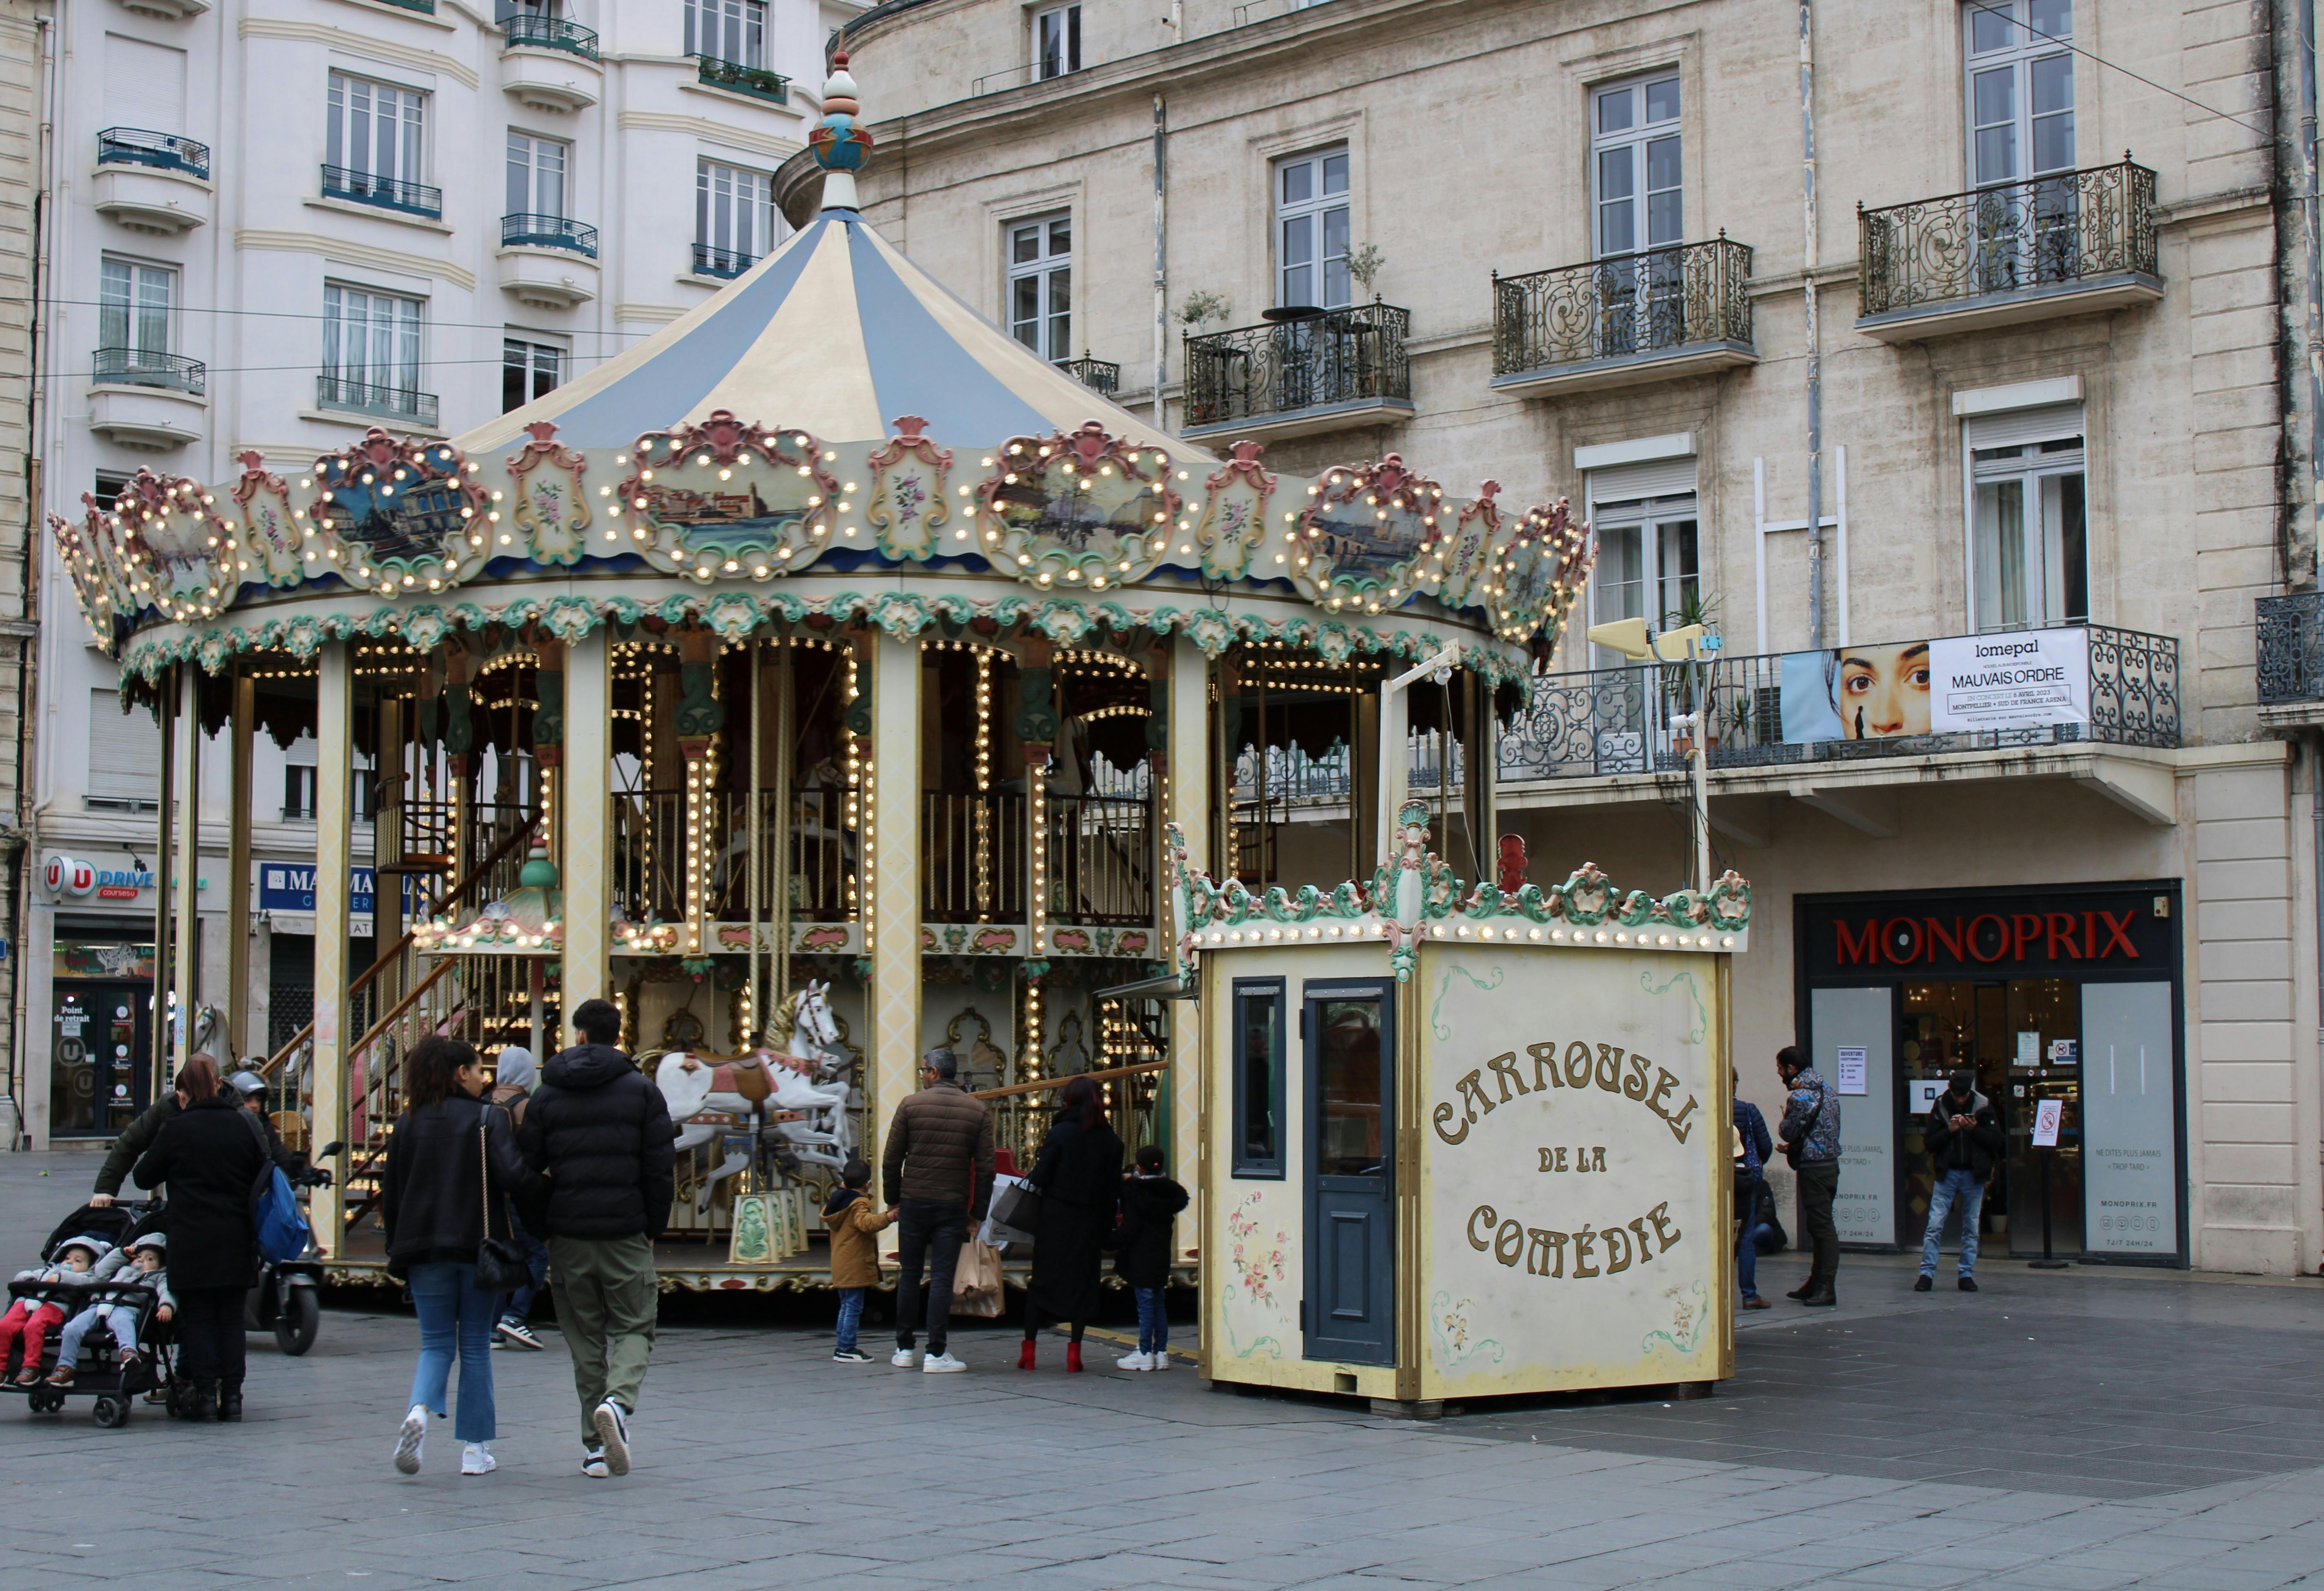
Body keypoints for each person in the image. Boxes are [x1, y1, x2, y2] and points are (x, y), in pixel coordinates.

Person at [516, 998, 674, 1479]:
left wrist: (541, 1226)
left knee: (585, 1342)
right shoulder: (642, 1092)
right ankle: (618, 1403)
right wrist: (653, 1226)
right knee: (634, 1327)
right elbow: (659, 1168)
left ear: (580, 1035)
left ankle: (592, 1448)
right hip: (625, 1229)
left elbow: (528, 1170)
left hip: (567, 1233)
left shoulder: (547, 1094)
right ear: (619, 1035)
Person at [381, 1036, 531, 1478]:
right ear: (459, 1073)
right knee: (475, 1347)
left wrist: (397, 1245)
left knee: (435, 1344)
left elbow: (392, 1193)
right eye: (478, 1069)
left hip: (423, 1247)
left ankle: (419, 1414)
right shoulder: (488, 1118)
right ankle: (474, 1449)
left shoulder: (407, 1123)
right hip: (476, 1246)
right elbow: (511, 1175)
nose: (483, 1078)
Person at [131, 1053, 267, 1420]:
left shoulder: (176, 1128)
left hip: (191, 1239)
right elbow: (264, 1170)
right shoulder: (243, 1125)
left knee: (201, 1319)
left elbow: (144, 1176)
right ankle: (234, 1398)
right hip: (236, 1236)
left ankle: (206, 1396)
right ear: (220, 1086)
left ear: (185, 1092)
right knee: (230, 1320)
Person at [879, 1046, 994, 1374]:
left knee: (910, 1274)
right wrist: (977, 1213)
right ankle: (936, 1352)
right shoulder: (977, 1111)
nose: (921, 1075)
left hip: (913, 1201)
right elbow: (986, 1169)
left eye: (922, 1070)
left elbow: (892, 1159)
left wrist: (893, 1199)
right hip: (952, 1204)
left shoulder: (910, 1106)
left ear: (934, 1072)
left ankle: (903, 1349)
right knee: (942, 1277)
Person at [1018, 1075, 1123, 1373]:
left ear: (1069, 1100)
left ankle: (1029, 1351)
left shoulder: (1061, 1133)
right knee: (1082, 1284)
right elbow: (1113, 1188)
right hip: (1090, 1222)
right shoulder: (1112, 1141)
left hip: (1056, 1219)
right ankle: (1075, 1352)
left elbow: (1040, 1177)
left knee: (1042, 1282)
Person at [1917, 1067, 2003, 1294]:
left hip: (1974, 1174)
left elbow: (1997, 1142)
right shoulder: (1941, 1106)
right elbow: (1930, 1144)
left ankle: (1966, 1274)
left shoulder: (1983, 1106)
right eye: (1957, 1095)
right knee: (1935, 1225)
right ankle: (1926, 1274)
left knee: (1972, 1226)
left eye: (1964, 1095)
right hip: (1948, 1173)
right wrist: (1950, 1130)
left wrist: (1975, 1130)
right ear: (1951, 1090)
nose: (1961, 1099)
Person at [487, 1046, 550, 1350]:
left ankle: (494, 1327)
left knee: (502, 1256)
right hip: (520, 1194)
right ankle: (515, 1315)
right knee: (537, 1254)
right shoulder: (527, 1108)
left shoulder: (486, 1105)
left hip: (491, 1197)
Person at [46, 1235, 171, 1387]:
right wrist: (122, 1254)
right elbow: (101, 1271)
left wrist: (166, 1305)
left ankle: (129, 1353)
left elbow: (167, 1291)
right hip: (98, 1306)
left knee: (123, 1323)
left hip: (126, 1307)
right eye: (138, 1257)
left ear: (161, 1264)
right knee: (72, 1328)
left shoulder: (159, 1277)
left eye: (149, 1259)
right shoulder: (122, 1269)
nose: (141, 1261)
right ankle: (65, 1368)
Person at [1774, 1046, 1840, 1308]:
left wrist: (1785, 1124)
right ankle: (1815, 1283)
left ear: (1792, 1069)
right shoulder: (1829, 1092)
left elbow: (1788, 1132)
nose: (1779, 1073)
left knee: (1822, 1228)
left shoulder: (1801, 1097)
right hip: (1830, 1165)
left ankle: (1825, 1287)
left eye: (1780, 1068)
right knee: (1819, 1226)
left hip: (1814, 1169)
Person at [1113, 1143, 1187, 1371]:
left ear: (1139, 1167)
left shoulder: (1135, 1193)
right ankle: (1161, 1351)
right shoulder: (1169, 1193)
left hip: (1141, 1256)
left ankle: (1144, 1352)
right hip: (1161, 1255)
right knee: (1158, 1304)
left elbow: (1130, 1229)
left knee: (1145, 1305)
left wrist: (1107, 1240)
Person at [2, 1236, 110, 1383]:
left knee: (33, 1326)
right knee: (4, 1326)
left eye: (78, 1261)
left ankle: (31, 1368)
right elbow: (27, 1276)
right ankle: (2, 1367)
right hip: (31, 1301)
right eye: (67, 1258)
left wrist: (62, 1277)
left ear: (91, 1266)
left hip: (55, 1306)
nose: (70, 1262)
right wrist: (28, 1280)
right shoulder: (49, 1270)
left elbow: (81, 1282)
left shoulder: (87, 1277)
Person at [822, 1157, 896, 1363]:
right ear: (868, 1184)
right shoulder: (858, 1204)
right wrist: (888, 1217)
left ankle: (842, 1346)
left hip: (842, 1263)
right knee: (853, 1307)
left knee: (846, 1306)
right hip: (854, 1264)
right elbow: (866, 1223)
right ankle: (846, 1347)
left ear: (843, 1183)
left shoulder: (838, 1202)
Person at [89, 1081, 184, 1208]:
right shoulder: (169, 1105)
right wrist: (106, 1188)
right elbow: (131, 1142)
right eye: (186, 1099)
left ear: (218, 1084)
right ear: (179, 1095)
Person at [1732, 1069, 1775, 1312]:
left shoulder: (1703, 1108)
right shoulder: (1748, 1110)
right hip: (1742, 1180)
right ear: (1735, 1084)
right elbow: (1765, 1147)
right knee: (1745, 1236)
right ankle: (1749, 1294)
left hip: (1713, 1178)